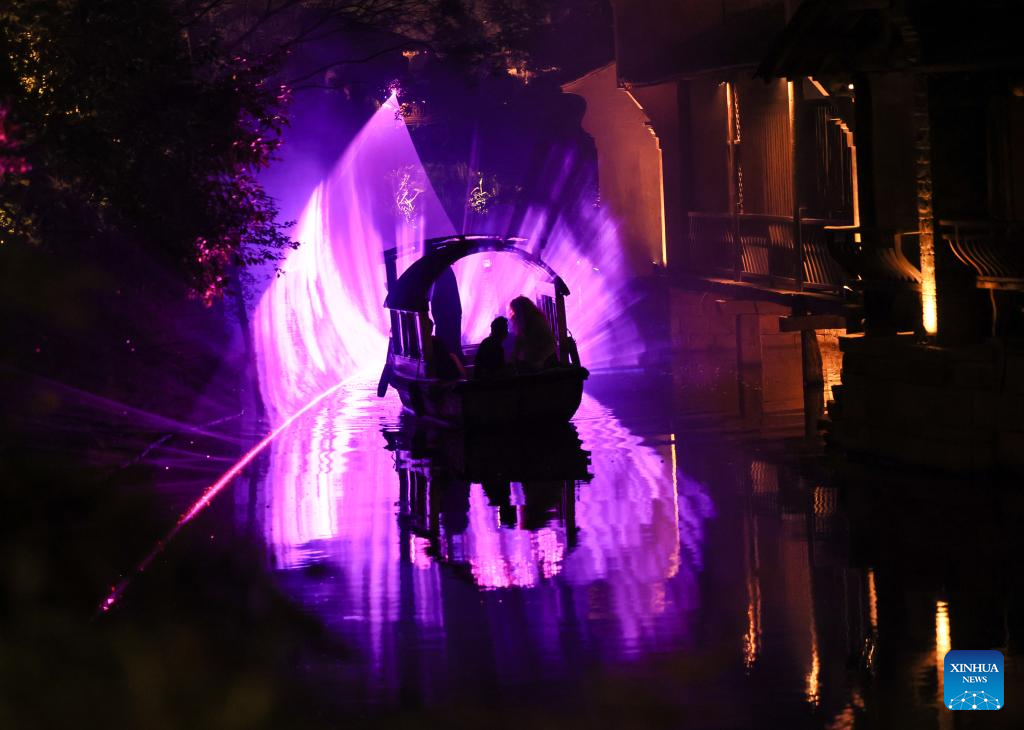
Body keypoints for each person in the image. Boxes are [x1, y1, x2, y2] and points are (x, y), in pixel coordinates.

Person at [508, 296, 558, 372]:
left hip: (546, 364)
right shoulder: (524, 323)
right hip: (535, 364)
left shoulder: (537, 321)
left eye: (516, 311)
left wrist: (539, 360)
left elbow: (551, 344)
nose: (514, 314)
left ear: (523, 310)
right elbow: (519, 343)